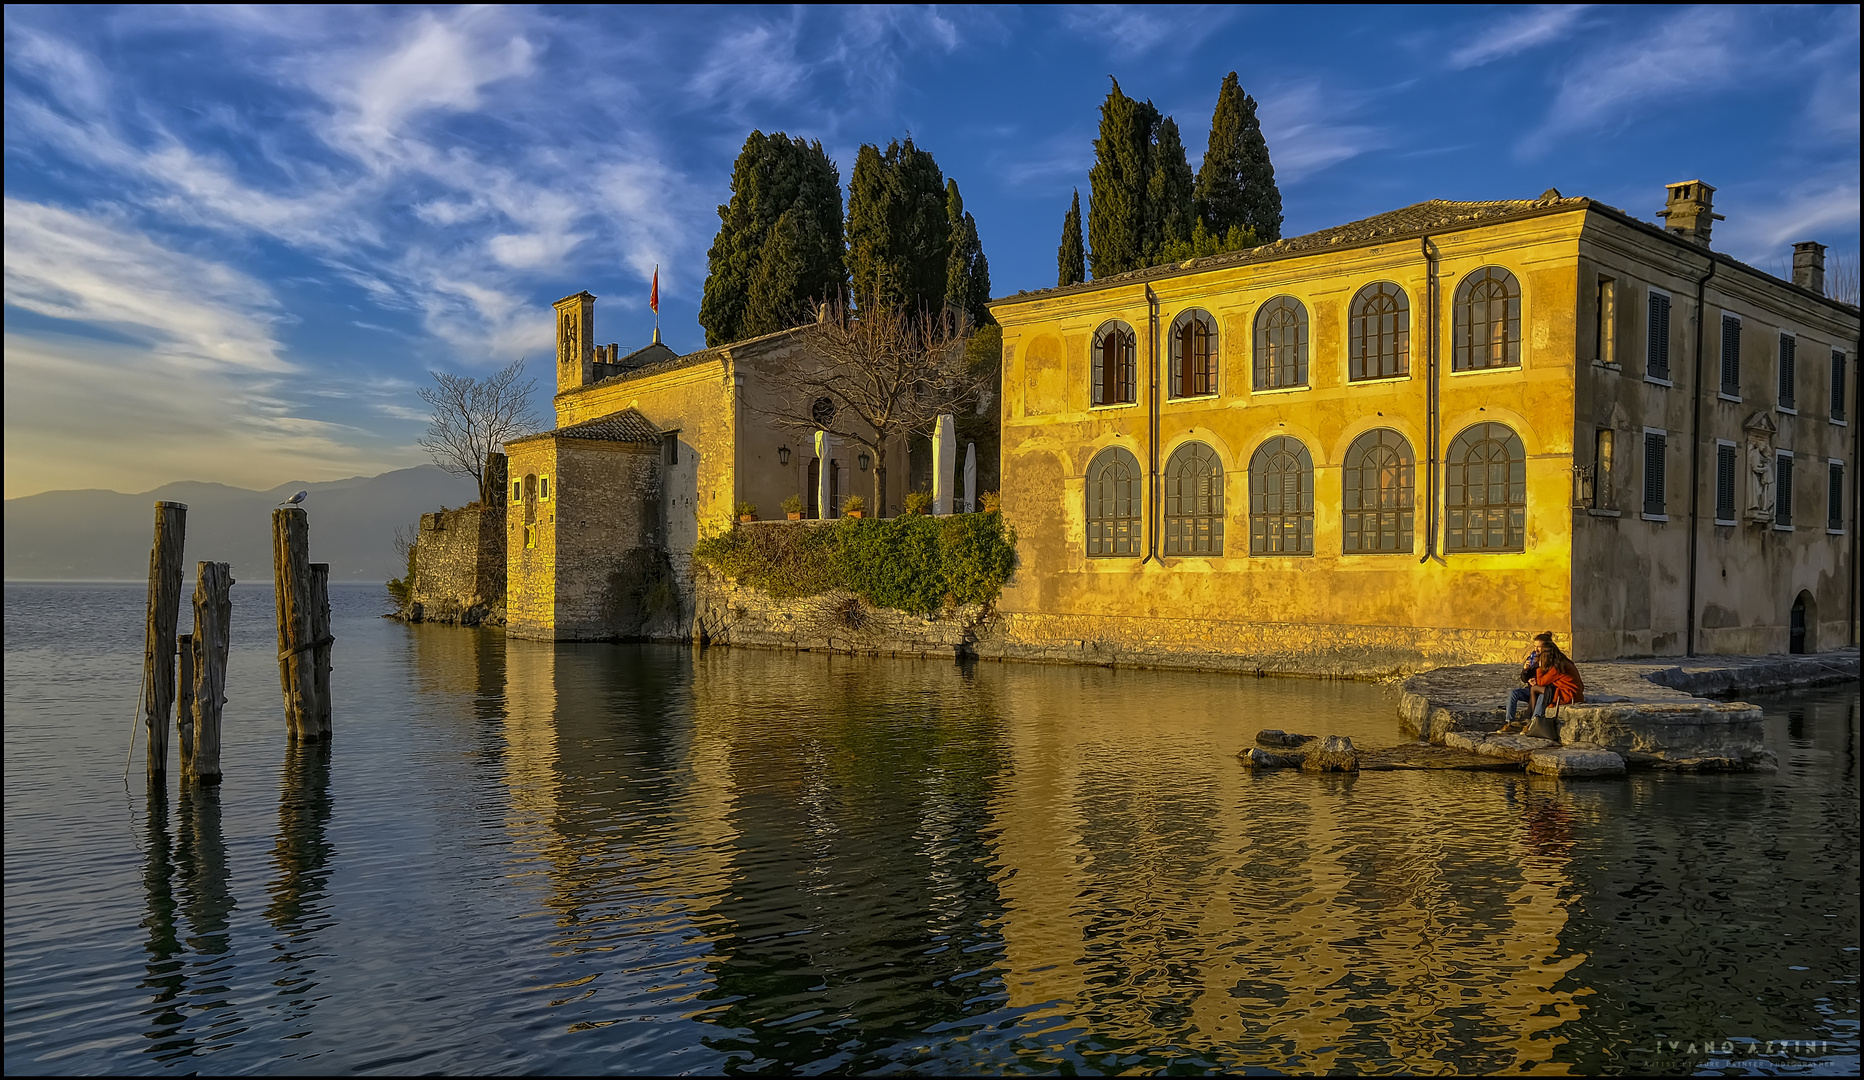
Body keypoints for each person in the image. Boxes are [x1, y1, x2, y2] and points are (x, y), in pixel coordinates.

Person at [1524, 640, 1586, 740]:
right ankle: (1533, 718)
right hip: (1569, 692)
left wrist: (1539, 668)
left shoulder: (1557, 667)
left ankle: (1534, 719)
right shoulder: (1562, 663)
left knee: (1535, 689)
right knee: (1542, 691)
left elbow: (1541, 682)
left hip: (1569, 695)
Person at [1501, 632, 1554, 733]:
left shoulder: (1550, 658)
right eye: (1535, 646)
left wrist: (1537, 682)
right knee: (1514, 693)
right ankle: (1509, 722)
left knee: (1542, 696)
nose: (1536, 649)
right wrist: (1525, 670)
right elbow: (1524, 679)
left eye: (1539, 647)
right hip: (1531, 690)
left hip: (1543, 690)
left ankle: (1532, 723)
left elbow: (1550, 677)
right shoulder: (1532, 657)